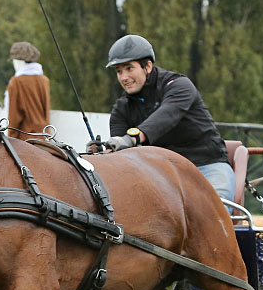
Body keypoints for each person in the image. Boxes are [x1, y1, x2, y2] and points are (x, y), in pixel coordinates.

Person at [90, 34, 236, 204]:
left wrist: (131, 138)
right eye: (119, 71)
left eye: (129, 68)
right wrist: (103, 155)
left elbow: (166, 117)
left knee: (215, 211)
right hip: (160, 177)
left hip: (207, 166)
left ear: (148, 66)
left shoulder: (179, 86)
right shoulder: (121, 109)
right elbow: (120, 157)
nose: (124, 77)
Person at [5, 41, 50, 141]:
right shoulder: (44, 80)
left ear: (18, 61)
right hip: (45, 137)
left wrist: (10, 141)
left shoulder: (16, 82)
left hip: (25, 140)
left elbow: (14, 117)